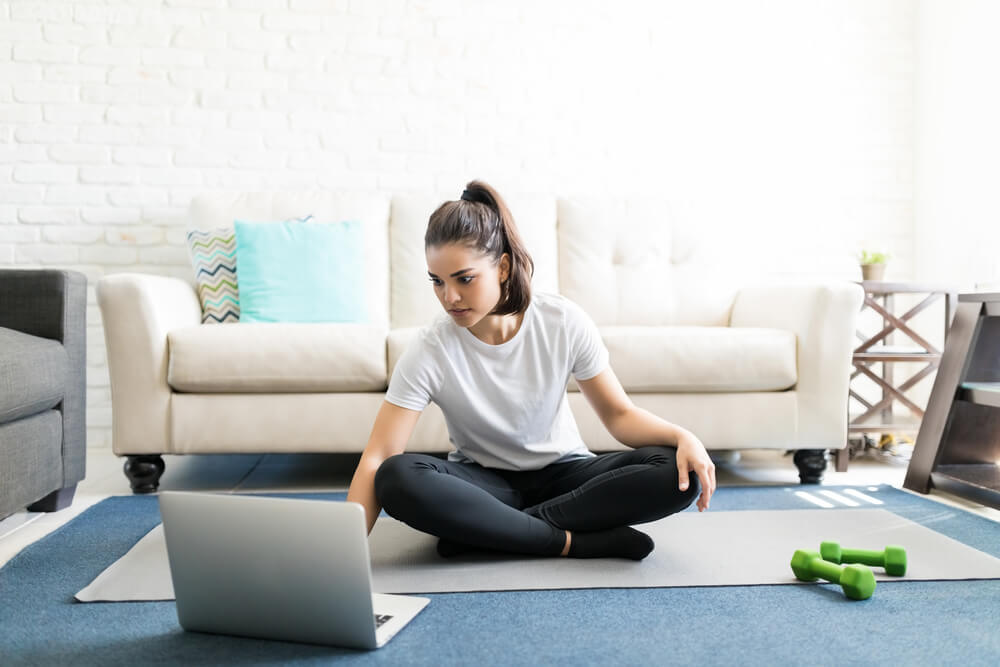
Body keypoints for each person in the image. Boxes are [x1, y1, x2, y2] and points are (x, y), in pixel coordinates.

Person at [346, 180, 716, 561]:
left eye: (464, 279)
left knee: (677, 471)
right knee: (396, 477)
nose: (449, 297)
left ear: (503, 267)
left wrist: (683, 436)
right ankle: (569, 542)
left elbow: (620, 416)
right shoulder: (430, 348)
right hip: (483, 483)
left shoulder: (562, 321)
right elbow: (379, 456)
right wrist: (342, 555)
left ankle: (490, 532)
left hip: (567, 477)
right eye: (437, 282)